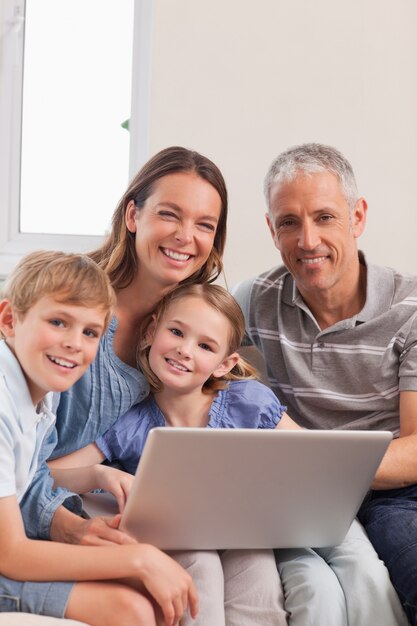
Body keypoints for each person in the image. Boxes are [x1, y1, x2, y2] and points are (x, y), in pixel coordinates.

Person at [233, 142, 412, 625]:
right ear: (271, 230)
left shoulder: (410, 310)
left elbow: (415, 451)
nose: (307, 240)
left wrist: (310, 457)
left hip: (397, 491)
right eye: (289, 222)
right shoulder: (251, 301)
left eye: (325, 217)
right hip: (297, 491)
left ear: (358, 217)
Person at [49, 282, 293, 626]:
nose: (184, 350)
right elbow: (51, 473)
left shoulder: (249, 402)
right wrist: (99, 473)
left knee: (261, 577)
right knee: (200, 569)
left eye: (205, 345)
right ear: (151, 332)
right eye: (176, 332)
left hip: (242, 533)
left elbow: (309, 457)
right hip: (175, 537)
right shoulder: (130, 421)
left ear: (225, 364)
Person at [20, 146, 229, 545]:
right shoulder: (67, 302)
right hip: (34, 502)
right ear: (133, 216)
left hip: (111, 505)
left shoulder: (192, 330)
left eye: (205, 225)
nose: (186, 237)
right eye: (169, 214)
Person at [0, 250, 198, 626]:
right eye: (58, 322)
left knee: (153, 596)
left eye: (90, 332)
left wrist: (74, 525)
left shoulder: (44, 387)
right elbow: (10, 553)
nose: (75, 343)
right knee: (133, 609)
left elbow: (31, 475)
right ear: (10, 320)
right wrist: (138, 559)